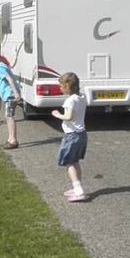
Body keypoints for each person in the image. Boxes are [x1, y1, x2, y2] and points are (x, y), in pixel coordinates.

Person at [51, 72, 88, 202]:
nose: (60, 88)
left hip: (72, 136)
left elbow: (69, 117)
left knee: (69, 162)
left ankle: (79, 191)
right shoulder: (82, 97)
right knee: (75, 161)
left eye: (61, 86)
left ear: (68, 86)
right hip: (82, 134)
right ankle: (77, 187)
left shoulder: (70, 101)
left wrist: (57, 114)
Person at [0, 47, 21, 149]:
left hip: (10, 95)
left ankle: (13, 141)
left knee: (9, 116)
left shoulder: (0, 68)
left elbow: (10, 79)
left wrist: (16, 94)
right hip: (8, 95)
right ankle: (10, 139)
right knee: (7, 116)